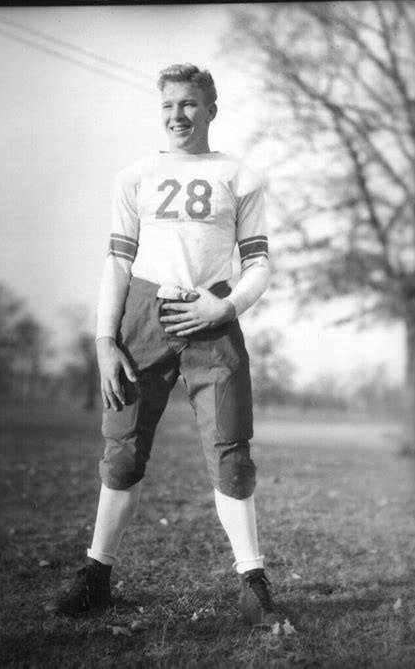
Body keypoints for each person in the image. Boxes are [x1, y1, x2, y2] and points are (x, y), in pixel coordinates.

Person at [55, 63, 291, 630]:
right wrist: (105, 340)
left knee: (231, 450)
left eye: (188, 104)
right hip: (142, 317)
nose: (176, 116)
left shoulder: (241, 175)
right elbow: (116, 262)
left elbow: (259, 264)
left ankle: (253, 584)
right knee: (123, 449)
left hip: (210, 316)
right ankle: (96, 576)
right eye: (167, 106)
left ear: (211, 108)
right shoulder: (134, 175)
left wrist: (226, 305)